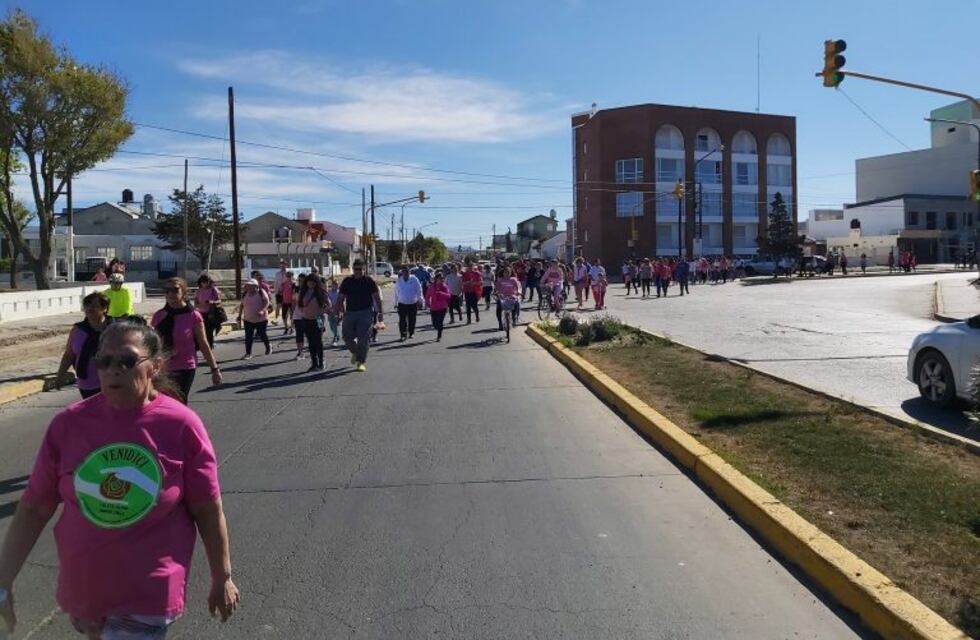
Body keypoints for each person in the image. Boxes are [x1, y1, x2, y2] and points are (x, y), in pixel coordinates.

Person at [0, 321, 240, 639]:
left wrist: (222, 576)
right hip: (83, 594)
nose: (114, 370)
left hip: (148, 597)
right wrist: (3, 582)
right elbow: (34, 509)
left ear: (154, 367)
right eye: (105, 361)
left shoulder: (181, 425)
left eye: (127, 361)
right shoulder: (68, 425)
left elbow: (207, 509)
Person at [151, 277, 222, 403]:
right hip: (162, 367)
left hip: (185, 366)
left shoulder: (193, 315)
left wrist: (214, 369)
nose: (170, 293)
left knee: (179, 401)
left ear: (184, 292)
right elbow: (152, 346)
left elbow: (203, 344)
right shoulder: (159, 316)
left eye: (175, 289)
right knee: (162, 403)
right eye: (167, 290)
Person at [55, 291, 110, 399]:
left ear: (104, 308)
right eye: (87, 305)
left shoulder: (115, 328)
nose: (90, 308)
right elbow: (69, 355)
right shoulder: (78, 329)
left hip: (113, 382)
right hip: (86, 384)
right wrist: (60, 376)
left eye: (94, 305)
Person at [336, 259, 383, 372]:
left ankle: (361, 362)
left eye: (360, 269)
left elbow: (377, 298)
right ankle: (356, 353)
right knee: (347, 337)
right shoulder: (347, 281)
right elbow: (340, 298)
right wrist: (338, 311)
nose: (358, 271)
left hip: (366, 313)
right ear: (353, 269)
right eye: (356, 269)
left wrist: (380, 313)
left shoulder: (369, 281)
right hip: (350, 313)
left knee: (363, 339)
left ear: (364, 269)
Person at [298, 275, 327, 371]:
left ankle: (321, 361)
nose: (311, 283)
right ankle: (314, 363)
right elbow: (300, 304)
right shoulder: (303, 292)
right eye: (309, 281)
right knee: (310, 342)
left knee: (318, 341)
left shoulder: (321, 292)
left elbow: (328, 305)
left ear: (316, 282)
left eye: (313, 281)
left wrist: (322, 311)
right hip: (306, 319)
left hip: (318, 319)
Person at [237, 278, 271, 360]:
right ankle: (248, 353)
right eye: (247, 286)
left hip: (261, 319)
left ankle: (268, 346)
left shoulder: (261, 292)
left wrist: (262, 310)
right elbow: (242, 305)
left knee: (262, 334)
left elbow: (267, 302)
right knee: (248, 336)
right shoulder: (245, 294)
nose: (248, 288)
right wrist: (239, 315)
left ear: (255, 286)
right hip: (248, 319)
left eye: (251, 286)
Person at [394, 265, 424, 340]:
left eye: (407, 271)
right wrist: (395, 303)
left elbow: (419, 290)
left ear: (409, 272)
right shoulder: (399, 280)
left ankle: (411, 332)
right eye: (404, 271)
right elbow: (396, 292)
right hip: (402, 303)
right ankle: (403, 334)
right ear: (402, 272)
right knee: (402, 320)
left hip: (412, 303)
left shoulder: (414, 279)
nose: (405, 273)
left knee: (412, 319)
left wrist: (420, 300)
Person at [195, 274, 224, 349]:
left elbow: (219, 301)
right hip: (200, 313)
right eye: (203, 282)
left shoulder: (213, 290)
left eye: (206, 282)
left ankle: (210, 347)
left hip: (210, 313)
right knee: (202, 331)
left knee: (209, 332)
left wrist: (212, 302)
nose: (204, 284)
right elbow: (196, 303)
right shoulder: (198, 291)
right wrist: (199, 305)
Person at [425, 271, 451, 342]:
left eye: (442, 278)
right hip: (434, 307)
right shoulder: (432, 287)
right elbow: (427, 295)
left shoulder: (444, 286)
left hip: (443, 307)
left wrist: (441, 293)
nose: (442, 279)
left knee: (440, 322)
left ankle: (439, 336)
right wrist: (427, 302)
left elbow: (448, 296)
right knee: (434, 324)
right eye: (440, 278)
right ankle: (438, 328)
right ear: (436, 279)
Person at [495, 265, 522, 329]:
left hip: (511, 296)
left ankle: (514, 318)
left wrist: (518, 292)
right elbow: (497, 289)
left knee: (516, 303)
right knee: (499, 307)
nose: (506, 274)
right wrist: (497, 293)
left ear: (510, 273)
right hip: (502, 296)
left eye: (508, 272)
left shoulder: (513, 279)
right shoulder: (500, 280)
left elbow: (517, 288)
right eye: (505, 272)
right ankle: (500, 323)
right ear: (503, 273)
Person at [292, 274, 308, 359]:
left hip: (308, 315)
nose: (301, 282)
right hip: (298, 316)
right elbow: (294, 300)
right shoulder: (297, 289)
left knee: (310, 334)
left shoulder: (310, 290)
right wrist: (293, 312)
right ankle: (300, 352)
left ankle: (313, 350)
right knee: (299, 334)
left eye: (303, 280)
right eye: (299, 280)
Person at [325, 279, 341, 346]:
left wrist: (341, 311)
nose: (335, 286)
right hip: (330, 310)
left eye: (336, 285)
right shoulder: (329, 292)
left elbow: (341, 302)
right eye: (334, 285)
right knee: (331, 325)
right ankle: (336, 335)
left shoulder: (339, 292)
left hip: (337, 310)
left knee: (335, 324)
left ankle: (336, 337)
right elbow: (327, 300)